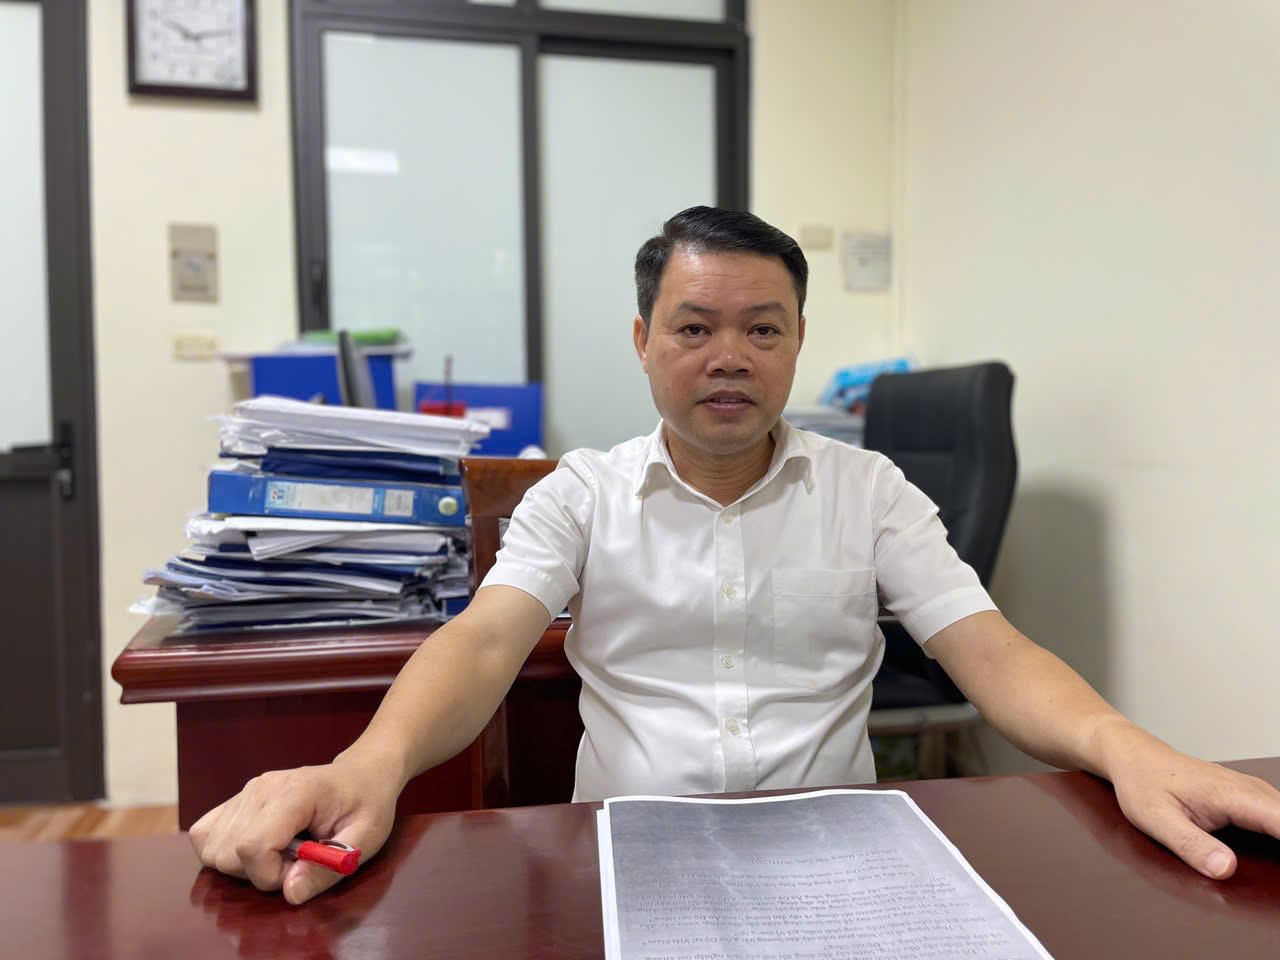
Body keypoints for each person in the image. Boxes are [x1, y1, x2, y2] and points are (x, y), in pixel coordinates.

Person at [191, 206, 1280, 905]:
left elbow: (988, 652)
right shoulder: (581, 493)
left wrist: (1128, 749)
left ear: (797, 342)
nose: (729, 357)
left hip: (841, 864)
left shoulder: (869, 489)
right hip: (626, 857)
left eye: (763, 329)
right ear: (642, 341)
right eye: (693, 327)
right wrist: (365, 768)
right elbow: (481, 644)